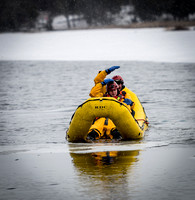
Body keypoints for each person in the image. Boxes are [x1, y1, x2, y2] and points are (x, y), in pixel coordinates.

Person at [87, 66, 134, 140]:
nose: (113, 92)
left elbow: (127, 108)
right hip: (102, 118)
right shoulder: (103, 96)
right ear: (108, 91)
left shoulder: (124, 95)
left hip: (115, 119)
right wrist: (102, 82)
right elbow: (92, 94)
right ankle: (92, 136)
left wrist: (128, 103)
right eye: (111, 91)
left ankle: (116, 136)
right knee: (94, 130)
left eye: (114, 90)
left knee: (114, 131)